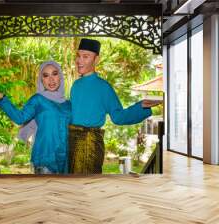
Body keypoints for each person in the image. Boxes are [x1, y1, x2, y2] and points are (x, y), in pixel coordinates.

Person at [69, 38, 161, 174]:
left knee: (88, 185)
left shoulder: (104, 87)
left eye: (85, 56)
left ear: (96, 60)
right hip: (71, 142)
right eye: (78, 56)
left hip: (91, 143)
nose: (79, 60)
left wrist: (142, 106)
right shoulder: (76, 85)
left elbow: (118, 117)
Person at [0, 61, 71, 174]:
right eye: (46, 75)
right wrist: (2, 99)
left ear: (60, 77)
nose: (51, 79)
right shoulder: (38, 99)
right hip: (45, 160)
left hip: (65, 159)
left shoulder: (68, 104)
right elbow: (20, 118)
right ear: (41, 80)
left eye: (55, 74)